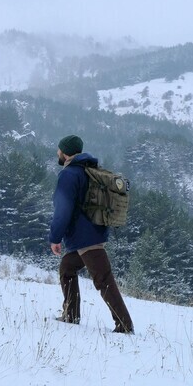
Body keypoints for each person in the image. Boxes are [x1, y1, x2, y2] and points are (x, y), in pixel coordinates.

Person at [48, 134, 134, 334]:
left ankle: (124, 325)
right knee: (67, 268)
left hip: (85, 238)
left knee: (103, 279)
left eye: (59, 150)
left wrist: (55, 237)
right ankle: (71, 315)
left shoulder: (69, 174)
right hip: (92, 232)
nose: (57, 153)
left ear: (65, 152)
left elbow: (63, 209)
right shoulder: (89, 170)